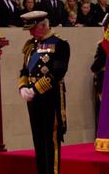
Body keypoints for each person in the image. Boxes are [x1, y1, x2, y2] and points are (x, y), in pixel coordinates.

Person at [18, 11, 70, 174]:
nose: (31, 33)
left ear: (43, 25)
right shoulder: (31, 45)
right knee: (38, 140)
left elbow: (57, 73)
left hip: (50, 98)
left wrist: (34, 89)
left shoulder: (60, 44)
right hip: (33, 100)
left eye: (33, 29)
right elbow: (24, 70)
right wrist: (23, 88)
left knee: (51, 141)